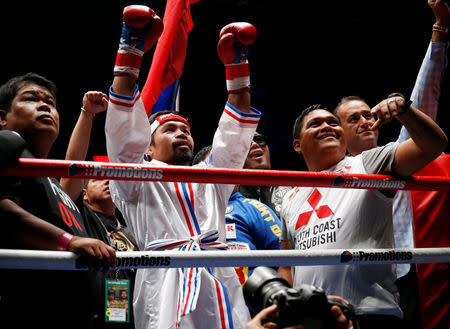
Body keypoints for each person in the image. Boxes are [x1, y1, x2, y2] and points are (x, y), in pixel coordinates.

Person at [105, 5, 260, 329]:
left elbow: (233, 139)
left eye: (186, 130)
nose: (181, 134)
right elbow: (122, 133)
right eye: (169, 130)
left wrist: (237, 66)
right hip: (164, 281)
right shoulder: (135, 180)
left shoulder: (210, 178)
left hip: (218, 275)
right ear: (148, 147)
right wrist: (130, 50)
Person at [279, 99, 447, 328]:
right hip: (312, 319)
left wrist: (405, 111)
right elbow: (286, 264)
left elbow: (433, 145)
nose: (327, 126)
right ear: (297, 145)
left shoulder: (367, 163)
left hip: (370, 313)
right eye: (315, 124)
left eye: (332, 122)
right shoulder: (290, 196)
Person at [333, 1, 449, 326]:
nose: (366, 121)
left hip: (404, 275)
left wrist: (439, 33)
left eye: (369, 115)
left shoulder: (388, 158)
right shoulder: (325, 179)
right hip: (349, 284)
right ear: (336, 131)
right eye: (353, 119)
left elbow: (425, 98)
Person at [0, 72, 116, 329]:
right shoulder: (7, 143)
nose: (44, 105)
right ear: (2, 118)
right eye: (31, 99)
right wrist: (69, 241)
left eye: (50, 103)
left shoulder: (50, 182)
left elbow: (72, 168)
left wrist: (87, 114)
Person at [59, 90, 138, 328]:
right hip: (88, 314)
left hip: (132, 316)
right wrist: (88, 114)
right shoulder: (79, 213)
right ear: (83, 192)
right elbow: (73, 165)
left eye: (110, 177)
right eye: (97, 178)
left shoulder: (131, 226)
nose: (107, 181)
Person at [192, 145, 282, 286]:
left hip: (248, 300)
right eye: (218, 165)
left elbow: (283, 260)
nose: (225, 170)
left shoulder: (253, 208)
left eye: (229, 165)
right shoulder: (187, 211)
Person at [238, 131, 291, 218]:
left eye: (259, 140)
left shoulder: (293, 184)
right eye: (246, 142)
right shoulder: (230, 196)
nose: (255, 144)